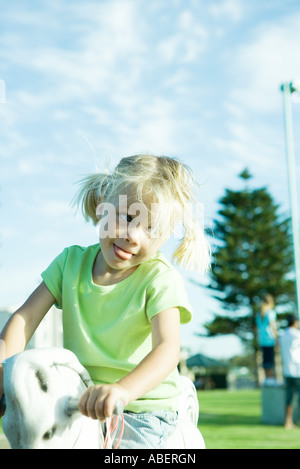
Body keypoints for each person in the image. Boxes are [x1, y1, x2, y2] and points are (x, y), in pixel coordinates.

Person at [0, 154, 210, 449]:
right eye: (126, 217)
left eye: (150, 229)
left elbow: (167, 348)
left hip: (142, 410)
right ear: (103, 205)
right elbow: (25, 318)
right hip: (80, 398)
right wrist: (3, 364)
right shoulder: (69, 263)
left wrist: (123, 390)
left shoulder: (159, 278)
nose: (133, 236)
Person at [279, 314, 300, 429]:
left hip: (288, 370)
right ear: (295, 322)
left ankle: (288, 421)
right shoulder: (296, 335)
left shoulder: (282, 335)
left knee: (289, 398)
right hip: (298, 370)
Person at [255, 294, 278, 383]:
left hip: (262, 341)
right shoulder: (270, 313)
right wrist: (277, 339)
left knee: (266, 362)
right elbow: (273, 327)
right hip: (270, 340)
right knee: (271, 363)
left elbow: (257, 329)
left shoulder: (259, 314)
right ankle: (271, 380)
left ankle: (268, 380)